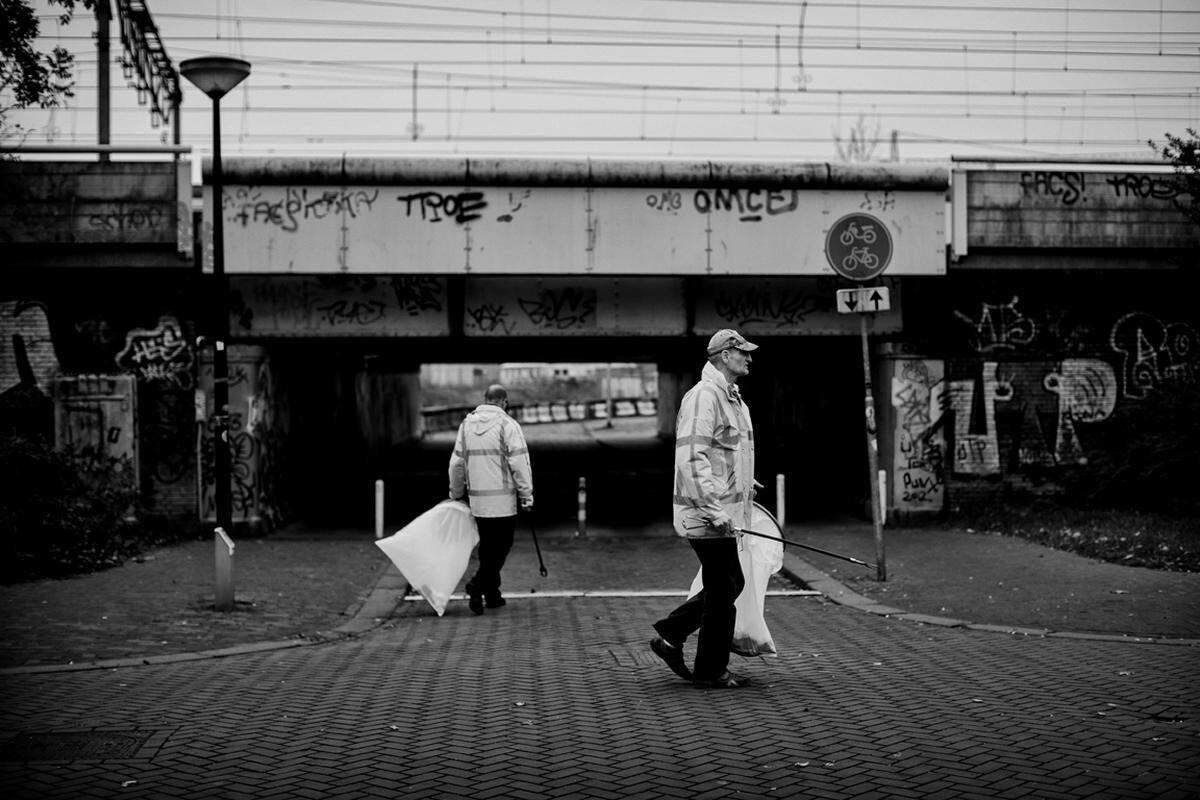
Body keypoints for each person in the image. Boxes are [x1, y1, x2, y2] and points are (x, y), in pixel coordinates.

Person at [651, 329, 760, 689]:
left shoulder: (730, 398)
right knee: (727, 584)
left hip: (720, 513)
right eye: (743, 352)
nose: (749, 358)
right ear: (725, 355)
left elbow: (724, 455)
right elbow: (691, 460)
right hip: (706, 515)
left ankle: (673, 636)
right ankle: (709, 668)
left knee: (725, 584)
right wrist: (714, 510)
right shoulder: (705, 397)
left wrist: (745, 482)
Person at [448, 384, 534, 615]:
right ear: (504, 402)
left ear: (485, 400)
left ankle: (493, 595)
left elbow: (456, 463)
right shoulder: (508, 425)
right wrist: (526, 494)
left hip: (478, 502)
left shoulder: (466, 425)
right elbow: (519, 462)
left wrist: (456, 493)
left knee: (488, 548)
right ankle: (477, 585)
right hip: (503, 502)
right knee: (501, 547)